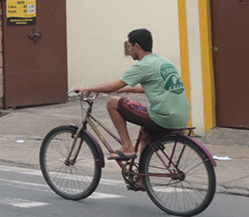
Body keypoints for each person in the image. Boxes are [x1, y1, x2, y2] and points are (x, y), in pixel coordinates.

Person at [73, 27, 190, 162]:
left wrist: (87, 89)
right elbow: (153, 88)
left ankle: (127, 146)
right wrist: (124, 90)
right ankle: (141, 181)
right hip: (181, 116)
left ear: (137, 46)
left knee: (112, 103)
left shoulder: (143, 66)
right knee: (145, 135)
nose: (129, 51)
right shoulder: (163, 61)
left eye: (130, 47)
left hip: (163, 117)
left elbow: (113, 86)